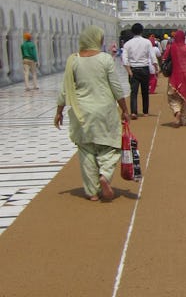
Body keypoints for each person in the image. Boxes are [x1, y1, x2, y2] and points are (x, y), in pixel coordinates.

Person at [54, 26, 130, 201]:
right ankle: (105, 174)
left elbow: (65, 89)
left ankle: (92, 192)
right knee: (111, 146)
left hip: (81, 112)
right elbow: (116, 87)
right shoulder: (105, 59)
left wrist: (59, 112)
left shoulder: (73, 60)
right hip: (104, 110)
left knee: (86, 150)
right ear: (97, 40)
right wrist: (124, 109)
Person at [162, 30, 186, 126]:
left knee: (172, 97)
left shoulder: (171, 48)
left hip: (175, 76)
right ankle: (183, 119)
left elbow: (164, 59)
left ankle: (176, 111)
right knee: (185, 97)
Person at [121, 22, 153, 118]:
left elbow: (124, 59)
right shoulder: (147, 42)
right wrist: (156, 66)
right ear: (142, 31)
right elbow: (152, 56)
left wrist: (129, 71)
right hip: (144, 68)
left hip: (133, 69)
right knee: (145, 91)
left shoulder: (127, 44)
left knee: (133, 92)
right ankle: (145, 112)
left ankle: (134, 112)